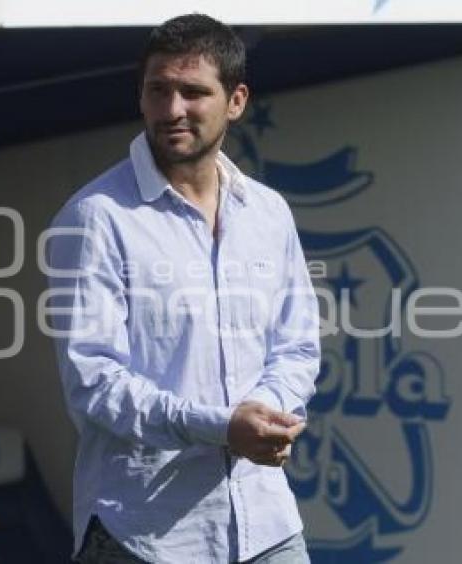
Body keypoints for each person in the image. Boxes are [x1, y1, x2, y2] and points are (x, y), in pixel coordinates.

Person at [47, 13, 319, 564]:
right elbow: (94, 383)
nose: (173, 110)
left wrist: (265, 414)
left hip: (266, 525)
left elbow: (298, 345)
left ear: (236, 100)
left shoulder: (268, 212)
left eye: (193, 92)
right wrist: (222, 428)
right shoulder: (95, 218)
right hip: (143, 537)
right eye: (158, 91)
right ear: (141, 97)